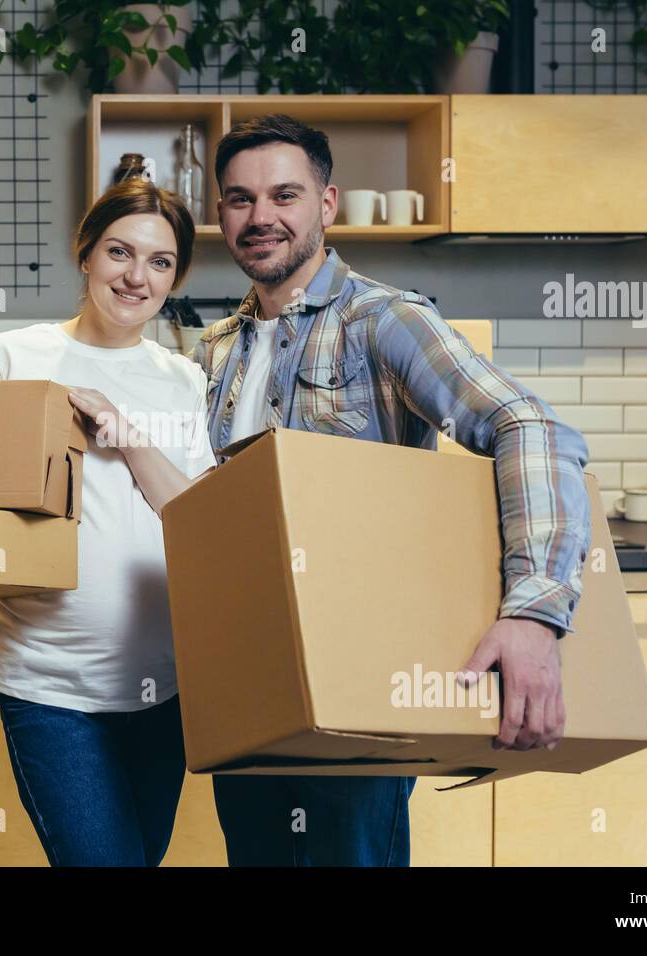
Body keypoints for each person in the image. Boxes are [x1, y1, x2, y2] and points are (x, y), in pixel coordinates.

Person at [189, 113, 594, 866]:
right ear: (222, 216)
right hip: (247, 670)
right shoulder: (214, 349)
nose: (261, 217)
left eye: (285, 194)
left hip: (363, 671)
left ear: (327, 203)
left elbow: (527, 426)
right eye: (240, 200)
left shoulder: (383, 320)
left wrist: (536, 614)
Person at [0, 176, 216, 866]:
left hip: (166, 689)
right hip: (50, 687)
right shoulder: (14, 359)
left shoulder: (185, 379)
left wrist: (126, 435)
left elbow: (198, 520)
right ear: (85, 253)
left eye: (159, 262)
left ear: (175, 276)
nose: (136, 276)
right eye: (119, 252)